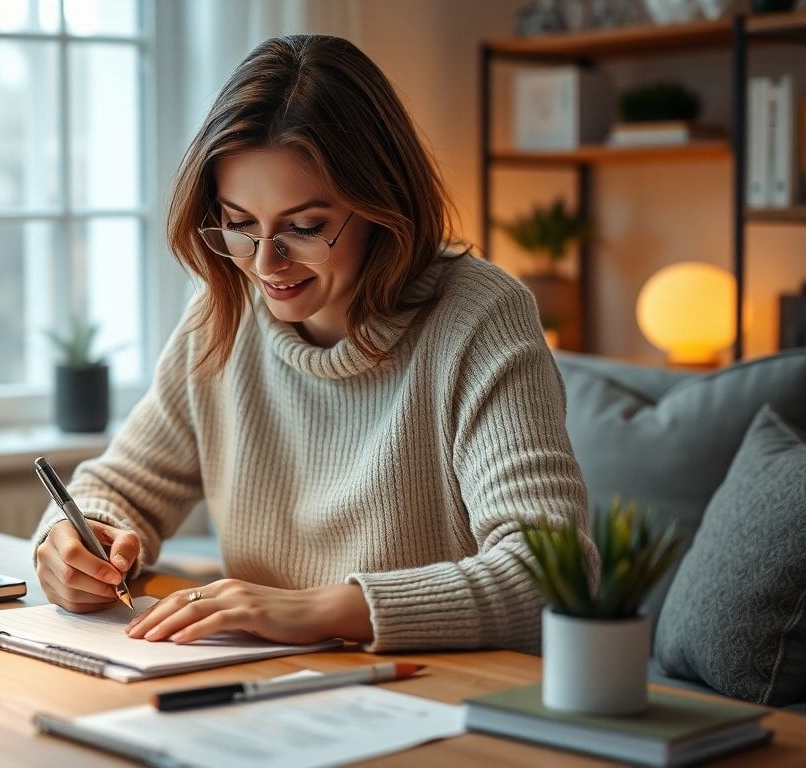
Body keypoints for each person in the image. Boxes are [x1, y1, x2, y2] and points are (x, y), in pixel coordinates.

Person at [31, 34, 593, 653]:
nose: (265, 262)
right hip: (273, 686)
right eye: (239, 224)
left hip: (438, 696)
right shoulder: (224, 315)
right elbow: (121, 488)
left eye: (304, 227)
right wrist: (75, 538)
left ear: (382, 206)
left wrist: (318, 610)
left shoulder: (479, 317)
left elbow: (554, 571)